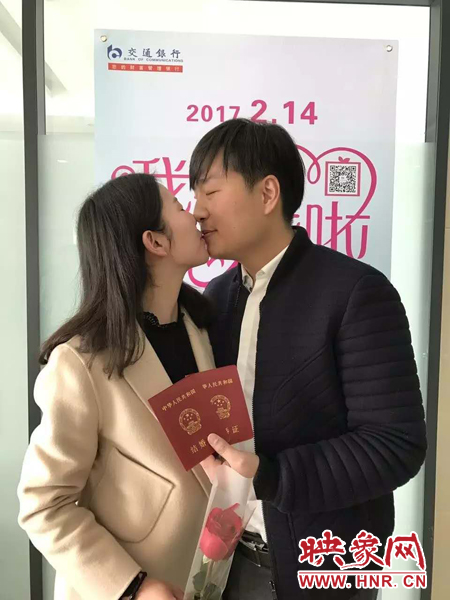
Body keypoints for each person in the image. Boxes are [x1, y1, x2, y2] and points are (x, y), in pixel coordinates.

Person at [192, 119, 427, 600]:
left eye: (211, 191)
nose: (198, 210)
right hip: (227, 563)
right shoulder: (214, 299)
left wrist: (272, 475)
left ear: (268, 193)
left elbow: (395, 444)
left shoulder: (356, 292)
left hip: (325, 571)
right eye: (194, 194)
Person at [18, 173, 215, 600]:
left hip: (205, 579)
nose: (197, 214)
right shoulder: (81, 362)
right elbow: (43, 504)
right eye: (180, 207)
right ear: (155, 242)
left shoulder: (203, 328)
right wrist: (133, 587)